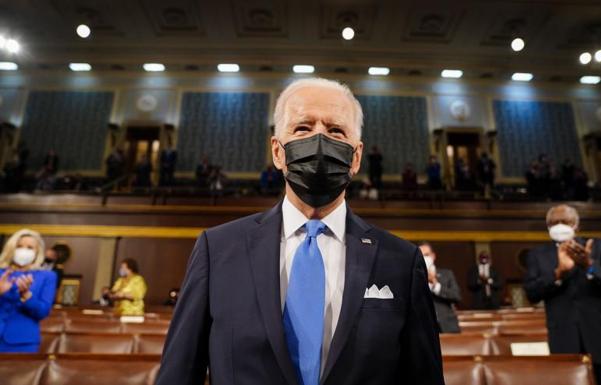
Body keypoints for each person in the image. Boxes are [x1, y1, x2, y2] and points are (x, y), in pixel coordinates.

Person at [155, 78, 444, 385]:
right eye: (303, 128)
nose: (319, 139)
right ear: (278, 152)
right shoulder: (218, 250)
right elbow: (179, 373)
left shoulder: (400, 260)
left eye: (335, 130)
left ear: (356, 157)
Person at [524, 204, 601, 385]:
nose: (559, 225)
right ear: (548, 227)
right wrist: (558, 273)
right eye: (554, 222)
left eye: (565, 221)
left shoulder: (599, 246)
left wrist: (590, 266)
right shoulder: (537, 254)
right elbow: (532, 293)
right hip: (564, 338)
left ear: (577, 225)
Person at [0, 229, 57, 352]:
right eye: (19, 246)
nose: (23, 250)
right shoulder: (1, 273)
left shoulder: (47, 276)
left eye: (30, 248)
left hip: (22, 343)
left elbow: (42, 312)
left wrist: (26, 296)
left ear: (37, 252)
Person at [418, 241, 461, 333]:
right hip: (423, 328)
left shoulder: (447, 274)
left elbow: (456, 295)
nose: (424, 258)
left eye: (426, 254)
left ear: (433, 256)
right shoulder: (413, 277)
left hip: (447, 326)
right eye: (421, 255)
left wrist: (435, 285)